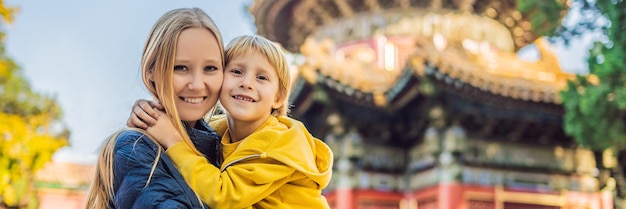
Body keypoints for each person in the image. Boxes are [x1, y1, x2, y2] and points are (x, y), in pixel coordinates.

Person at [129, 35, 334, 208]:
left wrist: (173, 140)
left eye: (262, 78)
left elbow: (222, 195)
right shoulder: (217, 129)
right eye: (236, 72)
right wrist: (150, 113)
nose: (246, 83)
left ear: (278, 98)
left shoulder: (278, 143)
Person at [85, 7, 225, 209]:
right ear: (151, 70)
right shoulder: (134, 147)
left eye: (210, 68)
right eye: (180, 67)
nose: (197, 84)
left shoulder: (228, 147)